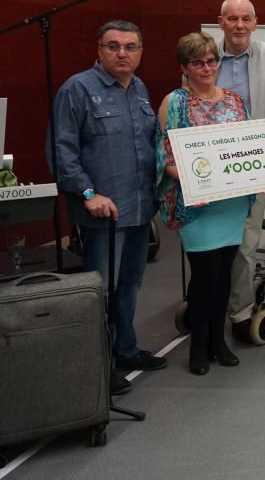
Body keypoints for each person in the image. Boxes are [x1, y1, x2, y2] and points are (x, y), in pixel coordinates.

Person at [50, 20, 167, 395]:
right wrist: (88, 194)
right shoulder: (77, 90)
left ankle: (126, 350)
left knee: (130, 285)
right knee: (99, 293)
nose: (122, 53)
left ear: (140, 53)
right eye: (113, 46)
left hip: (137, 209)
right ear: (99, 50)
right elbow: (60, 151)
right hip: (102, 216)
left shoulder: (140, 90)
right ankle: (99, 365)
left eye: (130, 47)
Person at [157, 32, 251, 375]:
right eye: (198, 62)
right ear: (184, 67)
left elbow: (247, 147)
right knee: (204, 275)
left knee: (225, 271)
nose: (207, 67)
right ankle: (199, 343)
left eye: (212, 60)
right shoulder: (175, 102)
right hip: (196, 204)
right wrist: (199, 181)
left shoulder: (235, 101)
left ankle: (218, 341)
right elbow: (163, 157)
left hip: (232, 203)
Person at [214, 0, 265, 341]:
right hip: (213, 166)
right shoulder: (205, 57)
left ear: (255, 21)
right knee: (213, 243)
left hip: (255, 165)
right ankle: (212, 305)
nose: (240, 25)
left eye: (246, 19)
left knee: (246, 243)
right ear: (221, 22)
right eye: (232, 19)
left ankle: (241, 312)